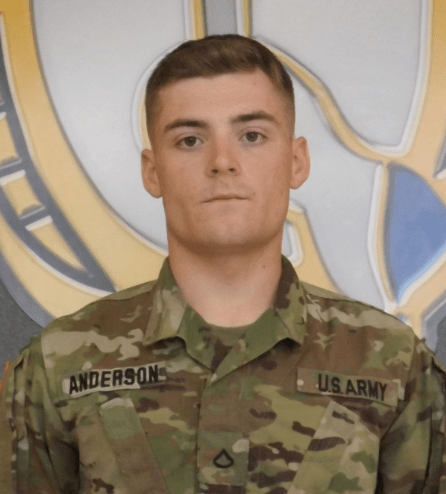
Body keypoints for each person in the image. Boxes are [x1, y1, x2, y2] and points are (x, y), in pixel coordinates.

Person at [0, 34, 445, 494]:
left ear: (296, 161)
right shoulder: (60, 364)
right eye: (190, 140)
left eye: (251, 136)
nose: (222, 162)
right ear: (152, 171)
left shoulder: (392, 364)